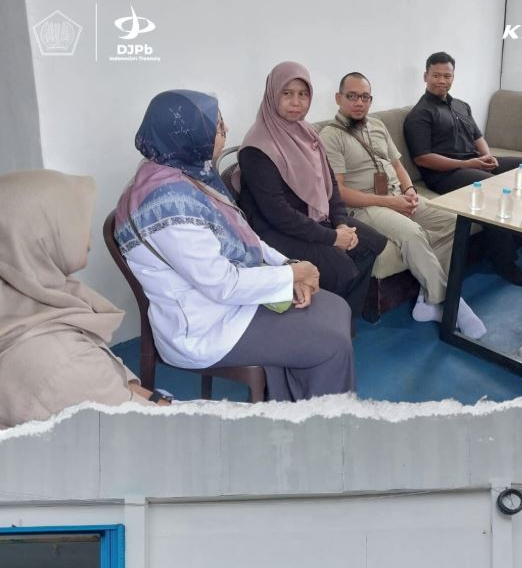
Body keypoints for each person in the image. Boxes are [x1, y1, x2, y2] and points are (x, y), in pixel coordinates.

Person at [115, 89, 354, 402]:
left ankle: (293, 407)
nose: (226, 130)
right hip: (206, 327)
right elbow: (222, 285)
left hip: (228, 303)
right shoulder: (168, 207)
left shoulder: (184, 172)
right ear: (188, 134)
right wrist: (292, 276)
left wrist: (287, 266)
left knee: (335, 307)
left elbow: (245, 236)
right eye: (217, 126)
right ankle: (323, 420)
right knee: (332, 342)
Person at [319, 72, 488, 338]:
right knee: (412, 234)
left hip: (399, 196)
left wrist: (409, 191)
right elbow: (338, 191)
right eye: (352, 96)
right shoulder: (330, 136)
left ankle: (426, 301)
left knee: (455, 223)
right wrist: (389, 202)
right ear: (338, 98)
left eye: (365, 97)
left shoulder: (377, 126)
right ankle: (450, 303)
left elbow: (398, 166)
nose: (359, 102)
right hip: (365, 207)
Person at [0, 170, 164, 430]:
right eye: (73, 222)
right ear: (41, 238)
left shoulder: (32, 295)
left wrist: (150, 397)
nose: (86, 232)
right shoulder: (62, 362)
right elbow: (156, 431)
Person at [239, 61, 387, 321]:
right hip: (274, 231)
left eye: (303, 94)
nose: (296, 102)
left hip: (314, 218)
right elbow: (278, 214)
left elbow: (330, 186)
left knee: (372, 243)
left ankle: (345, 318)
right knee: (341, 269)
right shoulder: (257, 147)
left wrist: (341, 224)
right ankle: (325, 325)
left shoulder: (309, 134)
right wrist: (332, 237)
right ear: (272, 95)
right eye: (287, 94)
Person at [403, 53, 522, 288]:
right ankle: (505, 262)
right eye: (436, 75)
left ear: (453, 77)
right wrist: (469, 164)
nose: (441, 81)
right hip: (445, 174)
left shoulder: (461, 105)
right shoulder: (420, 114)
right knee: (492, 189)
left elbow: (477, 136)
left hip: (474, 162)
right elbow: (423, 159)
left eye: (447, 76)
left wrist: (486, 156)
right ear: (425, 76)